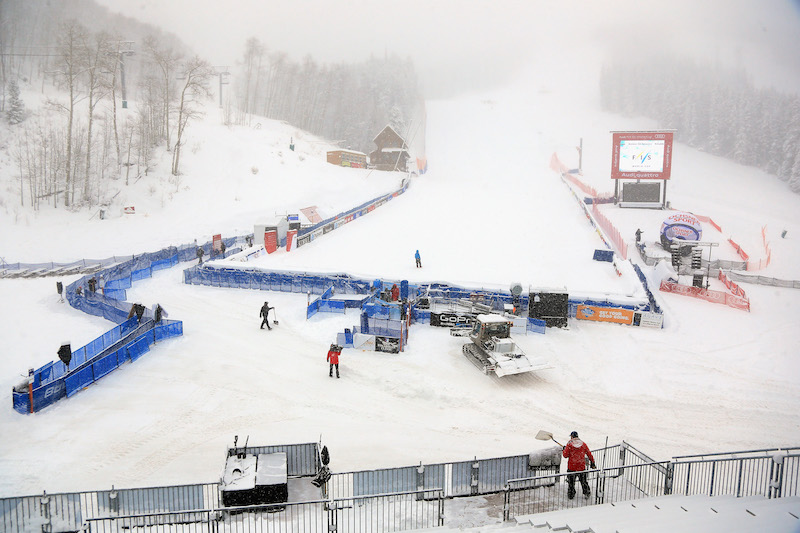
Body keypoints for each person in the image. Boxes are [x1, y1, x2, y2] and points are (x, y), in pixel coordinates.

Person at [562, 431, 596, 499]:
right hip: (581, 467)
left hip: (572, 467)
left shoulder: (569, 444)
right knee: (583, 482)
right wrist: (592, 462)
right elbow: (589, 454)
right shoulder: (583, 444)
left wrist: (564, 450)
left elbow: (565, 455)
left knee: (571, 483)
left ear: (572, 436)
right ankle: (587, 493)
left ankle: (571, 495)